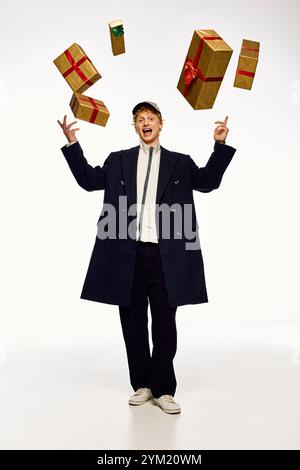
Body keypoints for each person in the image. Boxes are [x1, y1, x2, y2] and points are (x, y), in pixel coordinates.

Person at [57, 101, 236, 414]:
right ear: (135, 126)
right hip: (127, 252)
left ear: (161, 123)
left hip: (167, 254)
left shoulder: (180, 162)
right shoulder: (119, 160)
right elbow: (89, 181)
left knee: (166, 322)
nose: (145, 122)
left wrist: (219, 145)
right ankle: (142, 384)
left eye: (150, 117)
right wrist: (73, 145)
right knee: (133, 320)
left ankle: (164, 388)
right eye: (139, 119)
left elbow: (208, 181)